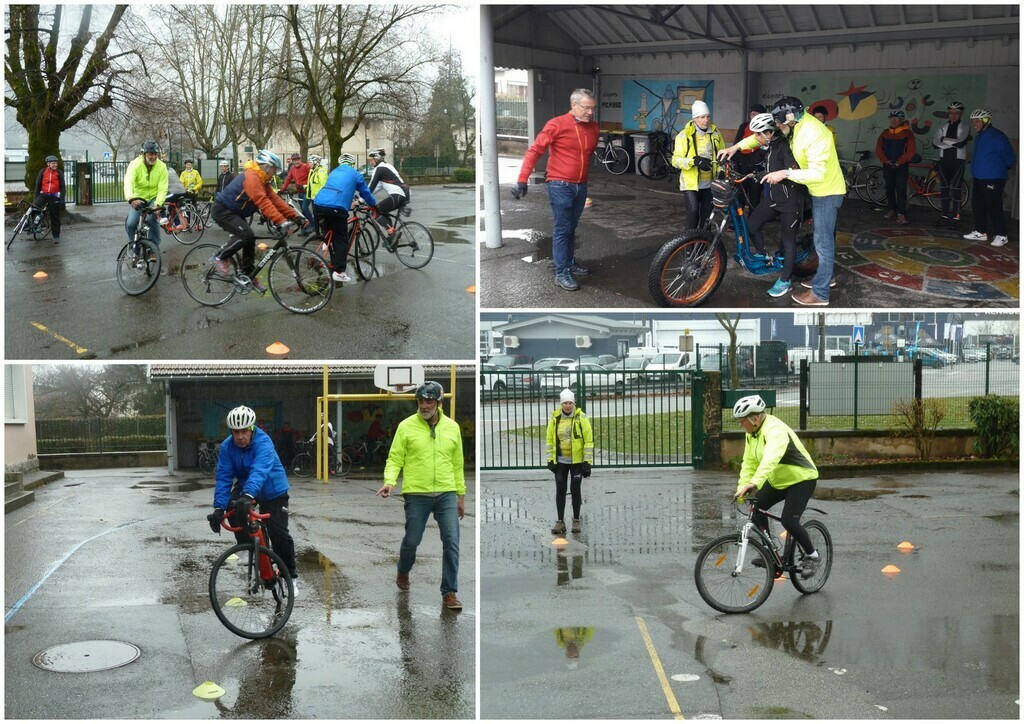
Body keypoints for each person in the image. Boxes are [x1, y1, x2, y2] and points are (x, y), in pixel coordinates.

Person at [719, 96, 846, 307]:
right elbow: (762, 138)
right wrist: (736, 147)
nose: (776, 127)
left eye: (779, 123)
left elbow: (817, 173)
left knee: (823, 244)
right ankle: (826, 277)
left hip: (827, 191)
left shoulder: (813, 134)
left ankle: (820, 294)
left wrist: (784, 173)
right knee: (820, 240)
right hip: (816, 190)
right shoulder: (794, 126)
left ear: (789, 119)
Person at [376, 381, 466, 611]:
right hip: (417, 493)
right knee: (412, 540)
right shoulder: (406, 427)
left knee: (452, 542)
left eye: (429, 401)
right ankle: (403, 570)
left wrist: (460, 495)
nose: (424, 406)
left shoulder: (452, 428)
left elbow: (457, 465)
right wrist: (389, 481)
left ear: (439, 403)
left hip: (446, 492)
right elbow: (395, 457)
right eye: (420, 401)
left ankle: (449, 592)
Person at [207, 405, 299, 597]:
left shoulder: (263, 442)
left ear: (251, 429)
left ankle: (291, 576)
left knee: (279, 533)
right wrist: (218, 508)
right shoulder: (227, 447)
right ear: (231, 431)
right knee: (234, 506)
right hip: (247, 484)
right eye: (235, 432)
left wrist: (248, 496)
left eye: (244, 431)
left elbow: (260, 471)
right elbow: (224, 477)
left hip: (273, 489)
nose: (240, 436)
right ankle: (247, 545)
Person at [513, 88, 600, 292]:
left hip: (581, 185)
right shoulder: (557, 124)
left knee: (571, 227)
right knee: (562, 228)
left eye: (592, 109)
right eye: (586, 108)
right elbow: (535, 151)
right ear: (574, 105)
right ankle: (561, 273)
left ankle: (569, 262)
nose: (590, 112)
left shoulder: (593, 128)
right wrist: (522, 179)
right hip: (559, 184)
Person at [731, 394, 821, 579]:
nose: (741, 425)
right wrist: (742, 489)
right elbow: (748, 463)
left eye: (742, 421)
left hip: (802, 479)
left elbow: (771, 458)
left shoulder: (775, 430)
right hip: (778, 480)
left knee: (789, 521)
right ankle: (770, 553)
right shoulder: (752, 434)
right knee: (756, 508)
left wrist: (754, 482)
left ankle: (813, 556)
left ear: (754, 418)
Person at [209, 149, 306, 294]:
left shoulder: (262, 180)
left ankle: (249, 275)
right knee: (245, 234)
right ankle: (219, 257)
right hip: (222, 210)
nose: (275, 173)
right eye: (274, 169)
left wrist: (294, 216)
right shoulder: (252, 177)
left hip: (234, 211)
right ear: (267, 166)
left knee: (250, 237)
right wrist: (280, 221)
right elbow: (262, 201)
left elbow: (275, 200)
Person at [744, 113, 805, 298]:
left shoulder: (784, 147)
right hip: (771, 199)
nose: (755, 138)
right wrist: (756, 174)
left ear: (769, 133)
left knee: (788, 241)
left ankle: (785, 280)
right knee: (751, 225)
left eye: (758, 134)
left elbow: (792, 169)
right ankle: (764, 255)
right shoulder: (769, 145)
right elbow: (770, 168)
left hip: (789, 202)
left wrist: (784, 173)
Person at [311, 152, 378, 284]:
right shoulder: (356, 174)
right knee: (342, 239)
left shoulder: (334, 172)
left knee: (329, 232)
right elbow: (365, 192)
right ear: (352, 165)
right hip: (336, 207)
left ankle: (324, 246)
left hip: (318, 204)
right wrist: (374, 204)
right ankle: (339, 271)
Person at [962, 109, 1016, 248]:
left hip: (993, 177)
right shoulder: (980, 136)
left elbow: (1009, 157)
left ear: (986, 120)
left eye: (977, 121)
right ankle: (980, 231)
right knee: (978, 205)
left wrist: (1001, 168)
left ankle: (1002, 235)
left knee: (994, 206)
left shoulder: (997, 136)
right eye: (973, 121)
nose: (974, 124)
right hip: (979, 177)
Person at [545, 388, 594, 535]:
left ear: (574, 404)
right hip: (560, 461)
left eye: (570, 403)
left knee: (575, 488)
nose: (567, 406)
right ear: (561, 404)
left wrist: (587, 462)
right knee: (560, 489)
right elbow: (550, 440)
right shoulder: (555, 420)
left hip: (577, 461)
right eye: (565, 403)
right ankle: (560, 521)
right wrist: (550, 460)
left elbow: (588, 440)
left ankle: (576, 520)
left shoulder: (581, 418)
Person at [671, 100, 725, 232]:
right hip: (691, 185)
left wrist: (721, 170)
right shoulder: (684, 136)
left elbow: (722, 156)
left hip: (709, 184)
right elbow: (675, 161)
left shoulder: (715, 134)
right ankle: (690, 249)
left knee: (707, 217)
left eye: (707, 116)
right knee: (693, 214)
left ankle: (703, 246)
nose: (705, 120)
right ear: (694, 118)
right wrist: (694, 161)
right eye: (701, 117)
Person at [123, 140, 169, 249]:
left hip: (153, 197)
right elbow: (128, 181)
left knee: (151, 219)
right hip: (138, 197)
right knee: (131, 224)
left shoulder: (162, 166)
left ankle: (154, 248)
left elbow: (163, 188)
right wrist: (131, 198)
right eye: (150, 154)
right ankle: (135, 247)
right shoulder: (135, 164)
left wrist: (158, 204)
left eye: (155, 154)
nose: (153, 157)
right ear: (144, 154)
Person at [875, 110, 916, 225]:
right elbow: (878, 149)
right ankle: (892, 209)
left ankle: (901, 213)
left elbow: (911, 151)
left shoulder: (907, 133)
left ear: (901, 120)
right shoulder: (885, 133)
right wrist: (886, 160)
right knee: (889, 188)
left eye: (896, 118)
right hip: (888, 165)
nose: (893, 120)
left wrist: (899, 162)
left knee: (901, 188)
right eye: (891, 118)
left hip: (901, 166)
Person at [931, 101, 970, 224]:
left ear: (961, 114)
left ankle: (956, 217)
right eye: (951, 113)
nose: (953, 116)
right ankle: (944, 216)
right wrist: (951, 144)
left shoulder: (964, 126)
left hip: (958, 161)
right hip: (944, 161)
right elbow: (935, 144)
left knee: (956, 189)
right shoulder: (943, 127)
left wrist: (943, 139)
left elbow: (961, 143)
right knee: (944, 189)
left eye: (956, 113)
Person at [733, 103, 767, 208]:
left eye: (756, 114)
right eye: (752, 114)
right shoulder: (744, 126)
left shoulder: (766, 129)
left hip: (757, 166)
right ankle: (738, 222)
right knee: (740, 194)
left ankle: (753, 221)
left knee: (755, 196)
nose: (753, 117)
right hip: (742, 165)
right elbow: (737, 145)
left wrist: (752, 160)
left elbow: (764, 149)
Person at [367, 149, 409, 233]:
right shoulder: (387, 166)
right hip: (405, 193)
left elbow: (371, 186)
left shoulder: (379, 168)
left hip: (397, 194)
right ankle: (392, 238)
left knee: (375, 212)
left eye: (371, 160)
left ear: (377, 159)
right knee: (383, 211)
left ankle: (392, 233)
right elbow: (377, 187)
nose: (370, 162)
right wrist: (364, 197)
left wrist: (360, 200)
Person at [33, 154, 65, 244]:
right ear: (48, 164)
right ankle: (30, 224)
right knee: (33, 207)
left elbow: (63, 187)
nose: (55, 165)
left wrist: (62, 200)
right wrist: (36, 198)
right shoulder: (42, 172)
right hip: (43, 195)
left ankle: (56, 236)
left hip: (54, 196)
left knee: (54, 216)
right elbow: (38, 185)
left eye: (56, 163)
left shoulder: (59, 173)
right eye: (53, 163)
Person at [281, 153, 314, 233]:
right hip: (300, 192)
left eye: (298, 160)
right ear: (292, 161)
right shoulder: (292, 169)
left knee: (305, 207)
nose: (296, 162)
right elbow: (288, 179)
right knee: (302, 211)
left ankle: (313, 225)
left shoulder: (306, 167)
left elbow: (314, 176)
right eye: (295, 160)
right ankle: (305, 228)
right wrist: (281, 190)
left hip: (307, 191)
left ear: (300, 159)